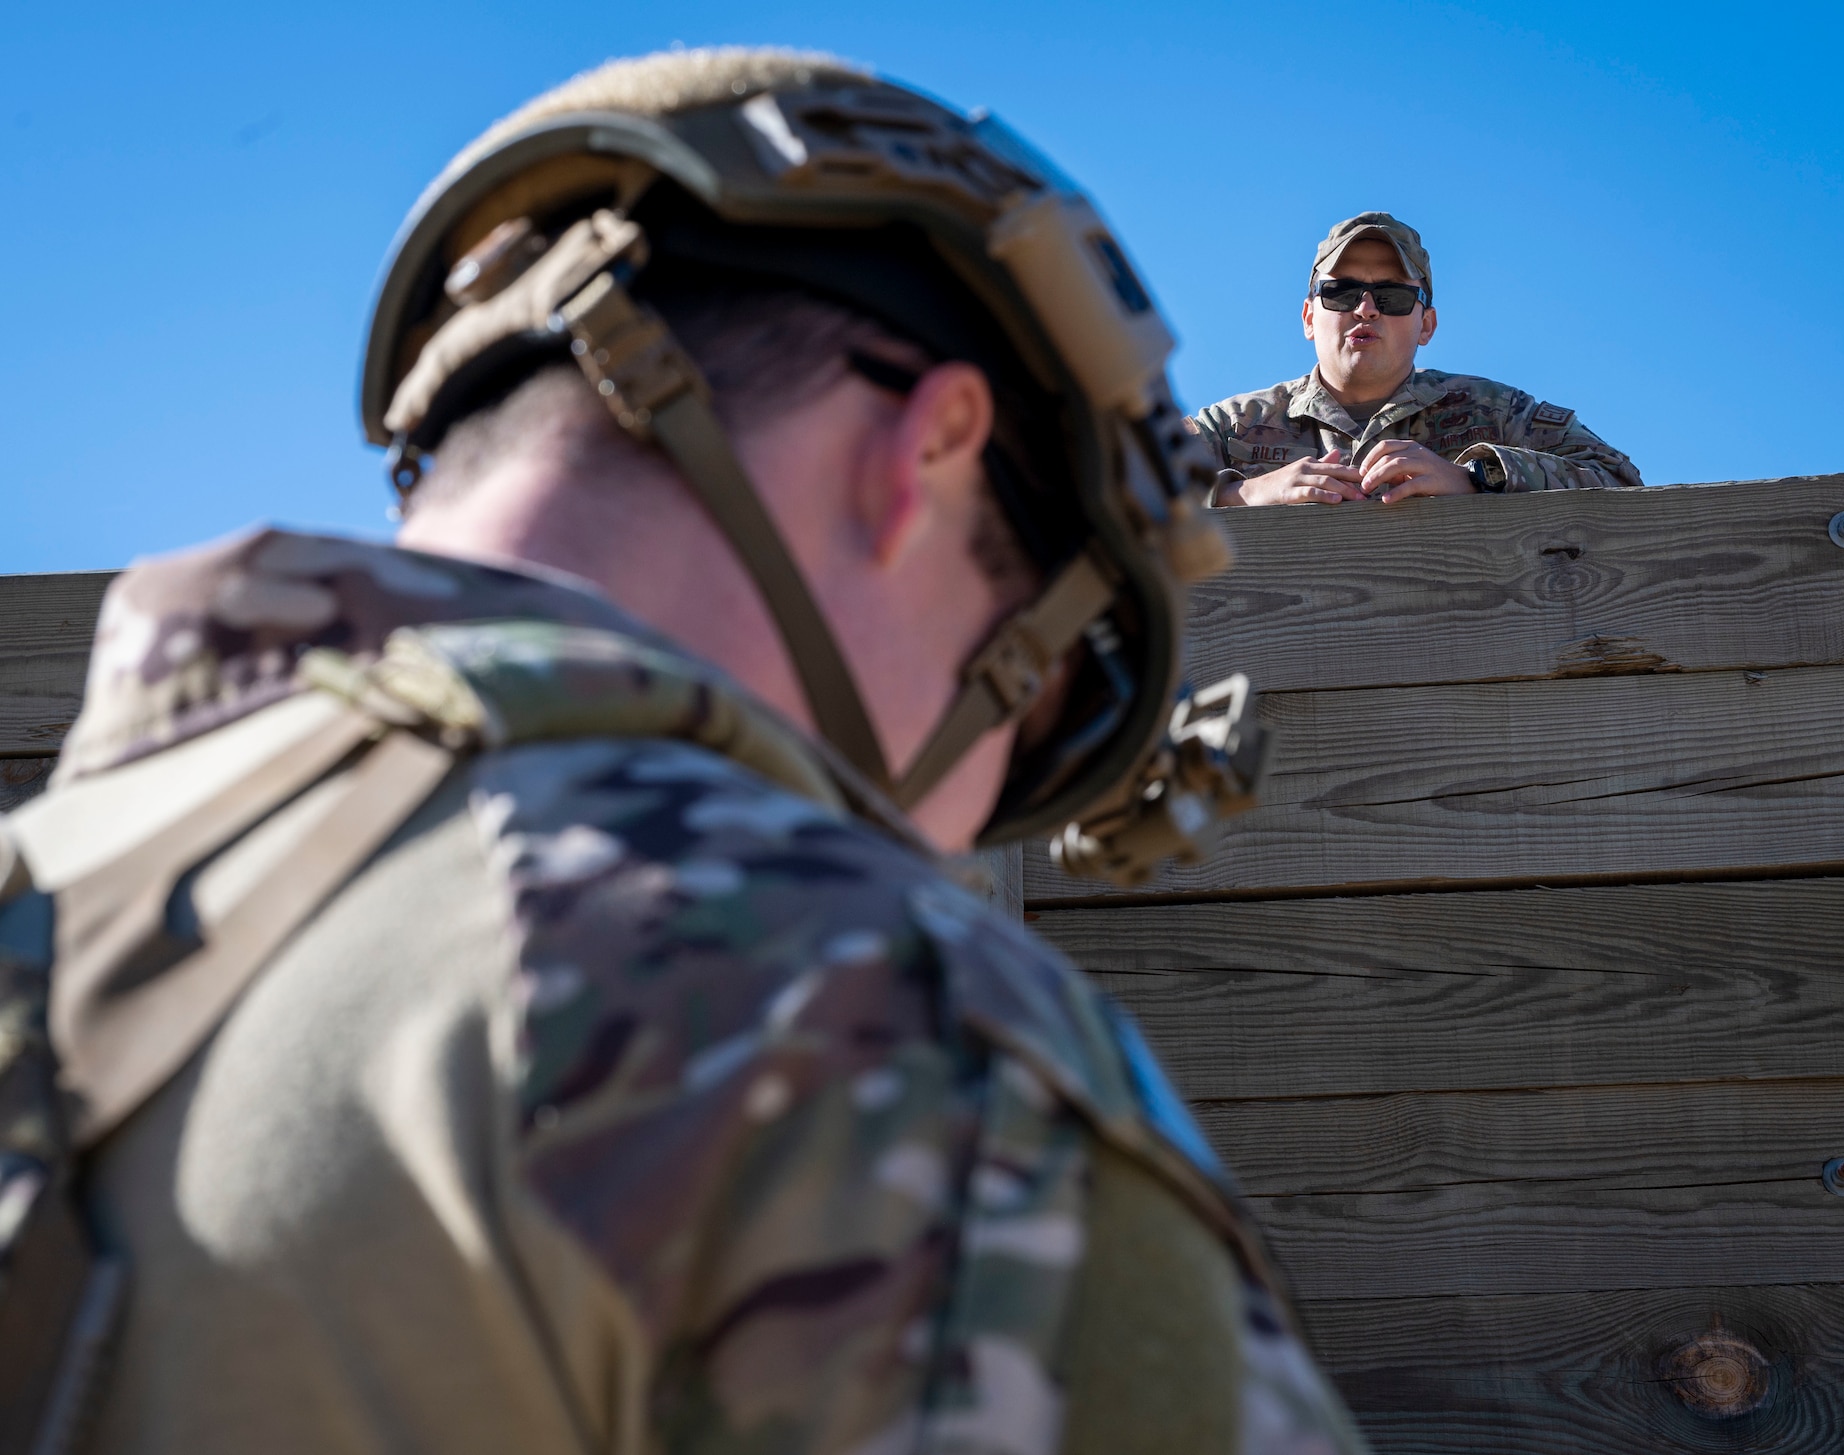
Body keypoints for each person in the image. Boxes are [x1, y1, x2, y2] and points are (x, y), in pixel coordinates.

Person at [3, 49, 1369, 1455]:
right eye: (1024, 702)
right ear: (921, 459)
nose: (962, 830)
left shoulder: (55, 881)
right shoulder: (870, 1025)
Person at [1190, 212, 1643, 507]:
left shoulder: (1495, 412)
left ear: (1426, 325)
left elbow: (1621, 483)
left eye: (1391, 296)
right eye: (1341, 292)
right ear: (1310, 317)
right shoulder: (1232, 426)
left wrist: (1478, 477)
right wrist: (1242, 493)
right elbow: (1123, 487)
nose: (1366, 308)